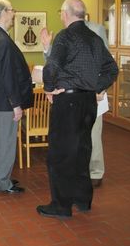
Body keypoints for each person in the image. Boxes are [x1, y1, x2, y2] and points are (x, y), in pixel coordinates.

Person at [37, 0, 118, 218]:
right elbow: (112, 69)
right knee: (83, 152)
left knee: (60, 155)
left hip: (68, 103)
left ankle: (61, 206)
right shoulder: (94, 38)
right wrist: (97, 87)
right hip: (88, 103)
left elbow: (51, 67)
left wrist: (49, 89)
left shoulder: (65, 36)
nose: (61, 16)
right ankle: (83, 200)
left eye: (61, 12)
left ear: (66, 13)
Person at [41, 21, 110, 188]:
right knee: (75, 137)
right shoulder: (65, 34)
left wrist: (100, 88)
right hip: (74, 96)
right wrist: (47, 47)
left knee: (92, 135)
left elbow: (106, 63)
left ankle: (95, 172)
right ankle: (77, 171)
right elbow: (57, 64)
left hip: (94, 92)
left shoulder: (96, 31)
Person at [0, 0, 34, 193]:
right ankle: (1, 182)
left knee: (3, 142)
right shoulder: (2, 39)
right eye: (12, 10)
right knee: (6, 144)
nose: (14, 14)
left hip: (0, 101)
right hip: (6, 103)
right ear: (3, 12)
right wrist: (16, 104)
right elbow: (8, 75)